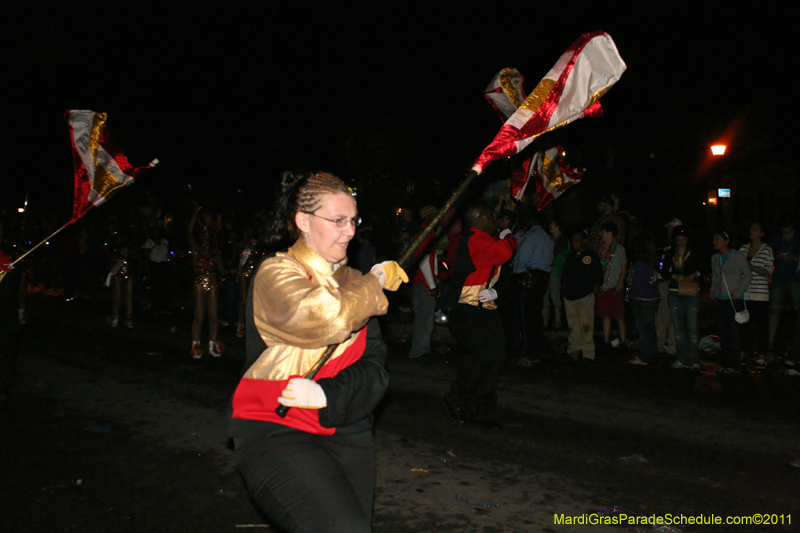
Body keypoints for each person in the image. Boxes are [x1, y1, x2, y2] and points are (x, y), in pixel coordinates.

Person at [228, 170, 407, 532]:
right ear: (303, 221)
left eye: (353, 220)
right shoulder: (276, 272)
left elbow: (375, 369)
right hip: (277, 428)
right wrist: (374, 283)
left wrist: (327, 394)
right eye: (338, 220)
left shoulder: (355, 282)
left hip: (346, 428)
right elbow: (323, 316)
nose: (350, 231)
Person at [444, 202, 517, 429]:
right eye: (491, 215)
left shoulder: (483, 240)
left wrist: (497, 292)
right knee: (482, 355)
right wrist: (509, 237)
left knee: (494, 355)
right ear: (481, 217)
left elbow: (500, 274)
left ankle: (479, 407)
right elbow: (504, 253)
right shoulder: (474, 239)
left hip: (482, 308)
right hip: (466, 309)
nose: (494, 219)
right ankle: (458, 398)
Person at [510, 211, 553, 365]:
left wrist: (515, 272)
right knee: (535, 314)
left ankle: (526, 349)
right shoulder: (547, 238)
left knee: (524, 316)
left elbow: (523, 257)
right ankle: (538, 346)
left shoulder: (531, 236)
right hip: (542, 278)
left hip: (528, 278)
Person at [710, 230, 752, 374]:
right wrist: (712, 290)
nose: (714, 242)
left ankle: (734, 365)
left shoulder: (736, 256)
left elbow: (748, 275)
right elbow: (715, 276)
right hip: (720, 300)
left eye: (717, 239)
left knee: (734, 333)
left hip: (734, 301)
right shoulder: (715, 258)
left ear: (726, 241)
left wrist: (738, 293)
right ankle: (724, 362)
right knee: (723, 333)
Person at [188, 205, 225, 358]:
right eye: (203, 237)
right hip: (199, 283)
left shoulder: (215, 252)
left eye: (208, 237)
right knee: (199, 315)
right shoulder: (196, 250)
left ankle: (212, 344)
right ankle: (195, 345)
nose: (206, 239)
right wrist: (195, 212)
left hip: (213, 283)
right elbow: (189, 232)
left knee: (213, 315)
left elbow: (221, 270)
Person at [664, 227, 703, 369]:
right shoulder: (670, 253)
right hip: (675, 292)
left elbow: (703, 267)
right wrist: (675, 276)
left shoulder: (694, 252)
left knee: (692, 328)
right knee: (679, 329)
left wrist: (694, 274)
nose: (681, 243)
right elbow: (663, 272)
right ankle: (682, 358)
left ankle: (694, 360)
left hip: (691, 291)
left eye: (684, 240)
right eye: (678, 240)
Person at [561, 229, 603, 361]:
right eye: (573, 241)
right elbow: (564, 277)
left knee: (586, 325)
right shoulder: (570, 257)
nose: (575, 243)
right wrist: (564, 292)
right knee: (573, 325)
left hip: (586, 295)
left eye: (577, 240)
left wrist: (593, 293)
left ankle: (588, 352)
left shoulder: (591, 256)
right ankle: (574, 348)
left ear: (584, 241)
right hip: (570, 296)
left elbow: (597, 276)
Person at [739, 222, 774, 367]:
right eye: (751, 228)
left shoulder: (767, 250)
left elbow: (768, 273)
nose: (752, 231)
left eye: (755, 229)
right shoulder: (742, 249)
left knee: (761, 326)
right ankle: (742, 354)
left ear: (762, 233)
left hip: (760, 294)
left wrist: (752, 267)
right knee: (743, 324)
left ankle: (761, 355)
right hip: (744, 293)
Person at [408, 205, 439, 359]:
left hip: (418, 281)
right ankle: (419, 351)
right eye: (434, 215)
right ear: (427, 217)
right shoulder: (426, 234)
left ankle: (420, 349)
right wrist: (432, 285)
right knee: (425, 319)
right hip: (424, 281)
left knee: (422, 318)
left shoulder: (422, 234)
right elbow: (424, 260)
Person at [627, 235, 661, 365]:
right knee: (650, 328)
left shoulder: (640, 263)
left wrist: (630, 295)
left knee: (643, 330)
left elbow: (636, 282)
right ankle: (652, 354)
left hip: (641, 298)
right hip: (652, 297)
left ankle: (645, 357)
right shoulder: (652, 261)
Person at [768, 218, 800, 354]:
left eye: (787, 228)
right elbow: (769, 254)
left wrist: (796, 259)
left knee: (798, 310)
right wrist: (776, 256)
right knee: (775, 310)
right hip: (779, 278)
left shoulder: (798, 238)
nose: (784, 231)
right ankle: (770, 343)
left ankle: (795, 344)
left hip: (795, 278)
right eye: (782, 228)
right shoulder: (776, 238)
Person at [595, 221, 627, 350]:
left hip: (614, 287)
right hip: (604, 287)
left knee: (618, 315)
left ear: (610, 233)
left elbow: (623, 268)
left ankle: (623, 341)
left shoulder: (619, 249)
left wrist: (619, 285)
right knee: (605, 314)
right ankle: (606, 340)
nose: (601, 234)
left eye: (603, 232)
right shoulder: (603, 249)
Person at [655, 218, 682, 356]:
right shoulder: (669, 247)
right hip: (670, 283)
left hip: (670, 284)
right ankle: (669, 346)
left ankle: (663, 345)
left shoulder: (676, 248)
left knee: (665, 316)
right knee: (671, 317)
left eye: (671, 228)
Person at [544, 217, 568, 330]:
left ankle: (557, 321)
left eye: (552, 224)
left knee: (554, 294)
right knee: (548, 295)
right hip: (551, 269)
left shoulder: (562, 240)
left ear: (558, 227)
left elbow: (557, 256)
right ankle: (548, 320)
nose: (550, 226)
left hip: (556, 270)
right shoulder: (552, 239)